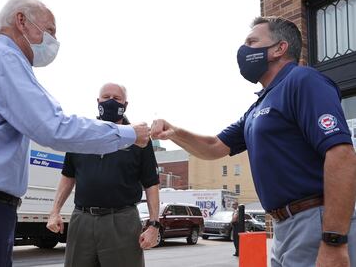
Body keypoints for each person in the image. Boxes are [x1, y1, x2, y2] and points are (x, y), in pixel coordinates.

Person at [0, 0, 150, 267]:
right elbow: (53, 126)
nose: (53, 41)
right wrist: (130, 134)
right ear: (21, 21)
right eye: (49, 30)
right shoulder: (2, 58)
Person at [151, 16, 356, 267]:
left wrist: (333, 240)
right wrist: (176, 133)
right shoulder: (259, 106)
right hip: (284, 227)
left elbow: (342, 155)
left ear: (279, 49)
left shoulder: (303, 81)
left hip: (314, 220)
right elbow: (214, 147)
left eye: (252, 41)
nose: (244, 49)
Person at [46, 83, 160, 267]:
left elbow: (152, 184)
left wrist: (154, 225)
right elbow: (68, 176)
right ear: (98, 101)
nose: (111, 102)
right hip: (82, 220)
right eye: (106, 97)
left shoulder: (139, 139)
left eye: (117, 98)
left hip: (121, 221)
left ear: (126, 104)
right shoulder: (81, 135)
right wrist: (54, 212)